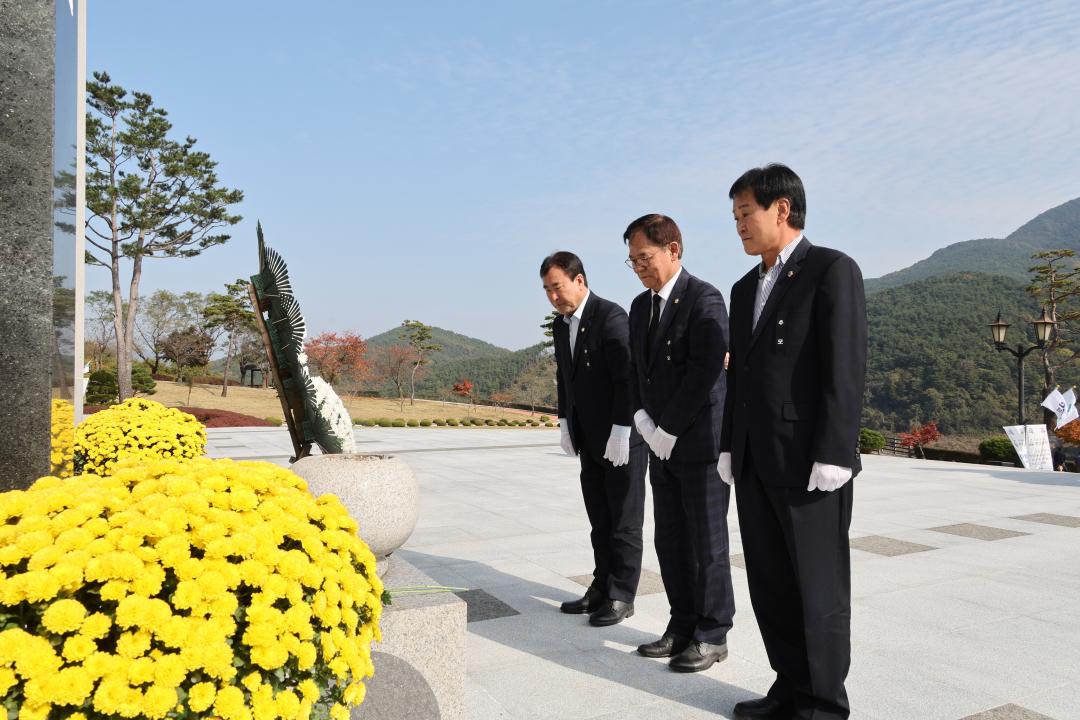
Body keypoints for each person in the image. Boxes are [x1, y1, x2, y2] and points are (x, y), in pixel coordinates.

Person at [720, 164, 867, 720]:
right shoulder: (743, 288)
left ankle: (823, 704)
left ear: (782, 209)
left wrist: (836, 452)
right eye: (734, 217)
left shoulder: (830, 269)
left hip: (810, 463)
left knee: (818, 590)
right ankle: (789, 686)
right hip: (756, 460)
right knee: (772, 584)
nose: (738, 226)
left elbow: (844, 366)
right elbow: (741, 375)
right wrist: (730, 444)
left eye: (745, 214)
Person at [623, 214, 735, 672]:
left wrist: (668, 428)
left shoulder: (704, 297)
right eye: (631, 261)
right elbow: (634, 370)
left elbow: (706, 367)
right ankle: (681, 624)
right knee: (669, 539)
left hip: (698, 442)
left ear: (673, 249)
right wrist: (644, 423)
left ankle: (712, 633)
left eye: (644, 257)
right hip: (659, 442)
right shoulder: (638, 306)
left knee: (706, 541)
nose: (639, 267)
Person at [541, 251, 648, 626]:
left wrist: (624, 427)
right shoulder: (561, 325)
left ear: (580, 281)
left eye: (557, 287)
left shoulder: (611, 316)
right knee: (599, 519)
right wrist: (565, 421)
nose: (553, 296)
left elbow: (627, 378)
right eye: (547, 290)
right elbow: (565, 378)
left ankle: (622, 595)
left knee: (624, 521)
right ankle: (601, 587)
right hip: (590, 438)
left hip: (621, 439)